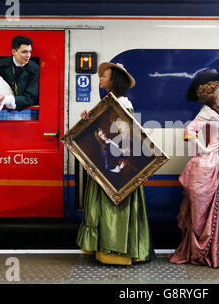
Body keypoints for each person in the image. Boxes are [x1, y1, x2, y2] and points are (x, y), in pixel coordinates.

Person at [169, 70, 219, 268]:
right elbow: (189, 132)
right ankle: (215, 252)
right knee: (214, 206)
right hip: (215, 164)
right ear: (211, 93)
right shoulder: (206, 113)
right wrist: (204, 149)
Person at [77, 62, 154, 265]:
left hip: (115, 165)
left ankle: (116, 252)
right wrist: (88, 119)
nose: (100, 78)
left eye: (104, 76)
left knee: (113, 202)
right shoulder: (108, 102)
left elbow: (125, 136)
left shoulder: (123, 104)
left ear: (113, 81)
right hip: (106, 163)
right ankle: (106, 249)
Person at [0, 35, 39, 111]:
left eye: (30, 51)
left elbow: (31, 98)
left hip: (26, 110)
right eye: (24, 52)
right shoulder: (1, 65)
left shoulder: (35, 69)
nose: (28, 55)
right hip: (2, 109)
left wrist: (4, 98)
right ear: (14, 52)